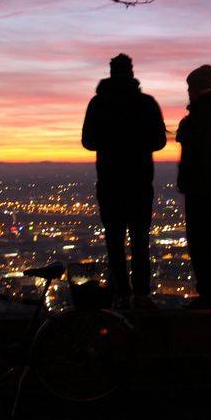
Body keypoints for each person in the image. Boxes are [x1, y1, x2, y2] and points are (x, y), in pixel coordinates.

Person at [82, 54, 166, 309]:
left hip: (109, 181)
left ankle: (121, 294)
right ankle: (141, 295)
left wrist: (111, 141)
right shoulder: (146, 103)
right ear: (131, 73)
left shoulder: (98, 103)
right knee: (140, 240)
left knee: (114, 241)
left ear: (110, 72)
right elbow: (159, 142)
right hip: (140, 181)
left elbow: (88, 142)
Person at [176, 64, 211, 310]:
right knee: (206, 238)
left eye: (190, 88)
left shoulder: (203, 113)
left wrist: (184, 130)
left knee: (201, 239)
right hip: (206, 183)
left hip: (200, 184)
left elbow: (201, 145)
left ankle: (208, 293)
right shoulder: (209, 111)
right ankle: (210, 291)